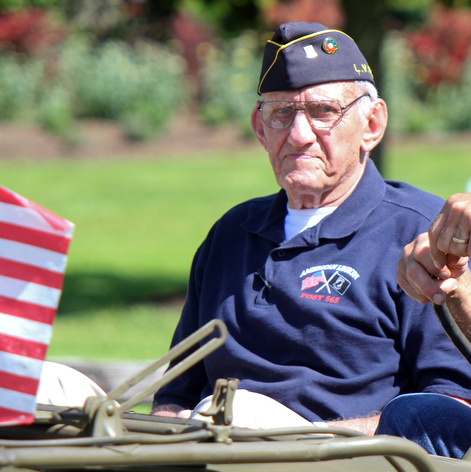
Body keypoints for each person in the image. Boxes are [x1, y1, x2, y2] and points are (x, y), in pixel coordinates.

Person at [150, 21, 471, 436]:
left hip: (343, 459)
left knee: (241, 412)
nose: (299, 135)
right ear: (260, 128)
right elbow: (175, 393)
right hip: (209, 446)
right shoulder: (230, 234)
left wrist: (301, 442)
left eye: (323, 112)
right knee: (54, 390)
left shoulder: (423, 236)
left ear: (372, 125)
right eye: (282, 113)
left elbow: (450, 408)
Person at [376, 193, 471, 458]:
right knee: (418, 417)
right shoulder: (248, 222)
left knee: (414, 414)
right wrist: (456, 286)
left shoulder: (410, 217)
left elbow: (453, 393)